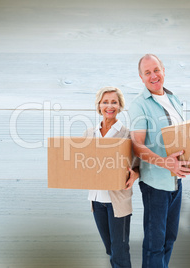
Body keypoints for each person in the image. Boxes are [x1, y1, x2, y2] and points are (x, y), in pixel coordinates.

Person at [128, 54, 190, 268]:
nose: (153, 75)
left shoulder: (174, 99)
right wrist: (166, 163)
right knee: (155, 244)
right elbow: (137, 145)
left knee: (169, 238)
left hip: (176, 180)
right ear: (141, 77)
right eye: (147, 72)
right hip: (155, 184)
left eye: (156, 70)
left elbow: (181, 137)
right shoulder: (139, 105)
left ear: (163, 71)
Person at [83, 86, 139, 268]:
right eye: (105, 102)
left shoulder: (127, 135)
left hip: (118, 201)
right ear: (99, 106)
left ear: (120, 106)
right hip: (96, 200)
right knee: (110, 248)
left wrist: (135, 175)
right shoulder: (89, 134)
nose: (109, 106)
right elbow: (81, 163)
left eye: (114, 102)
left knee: (120, 250)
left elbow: (139, 164)